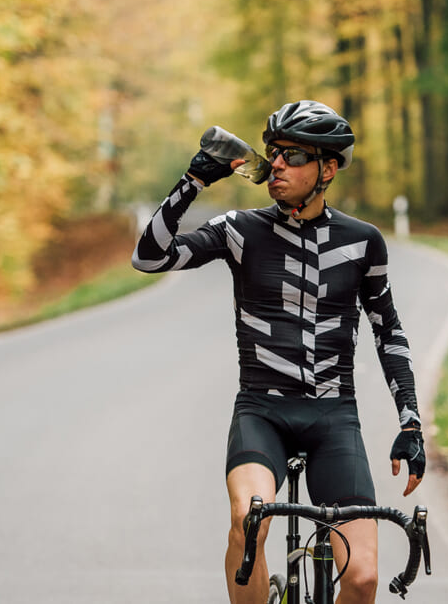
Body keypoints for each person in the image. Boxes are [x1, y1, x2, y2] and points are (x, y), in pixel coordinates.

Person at [132, 100, 426, 604]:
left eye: (293, 155)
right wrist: (193, 182)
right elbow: (149, 257)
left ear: (327, 168)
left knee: (362, 579)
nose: (278, 166)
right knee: (249, 521)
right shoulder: (240, 230)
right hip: (262, 411)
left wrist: (411, 423)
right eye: (273, 155)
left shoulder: (362, 242)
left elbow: (388, 332)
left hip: (334, 415)